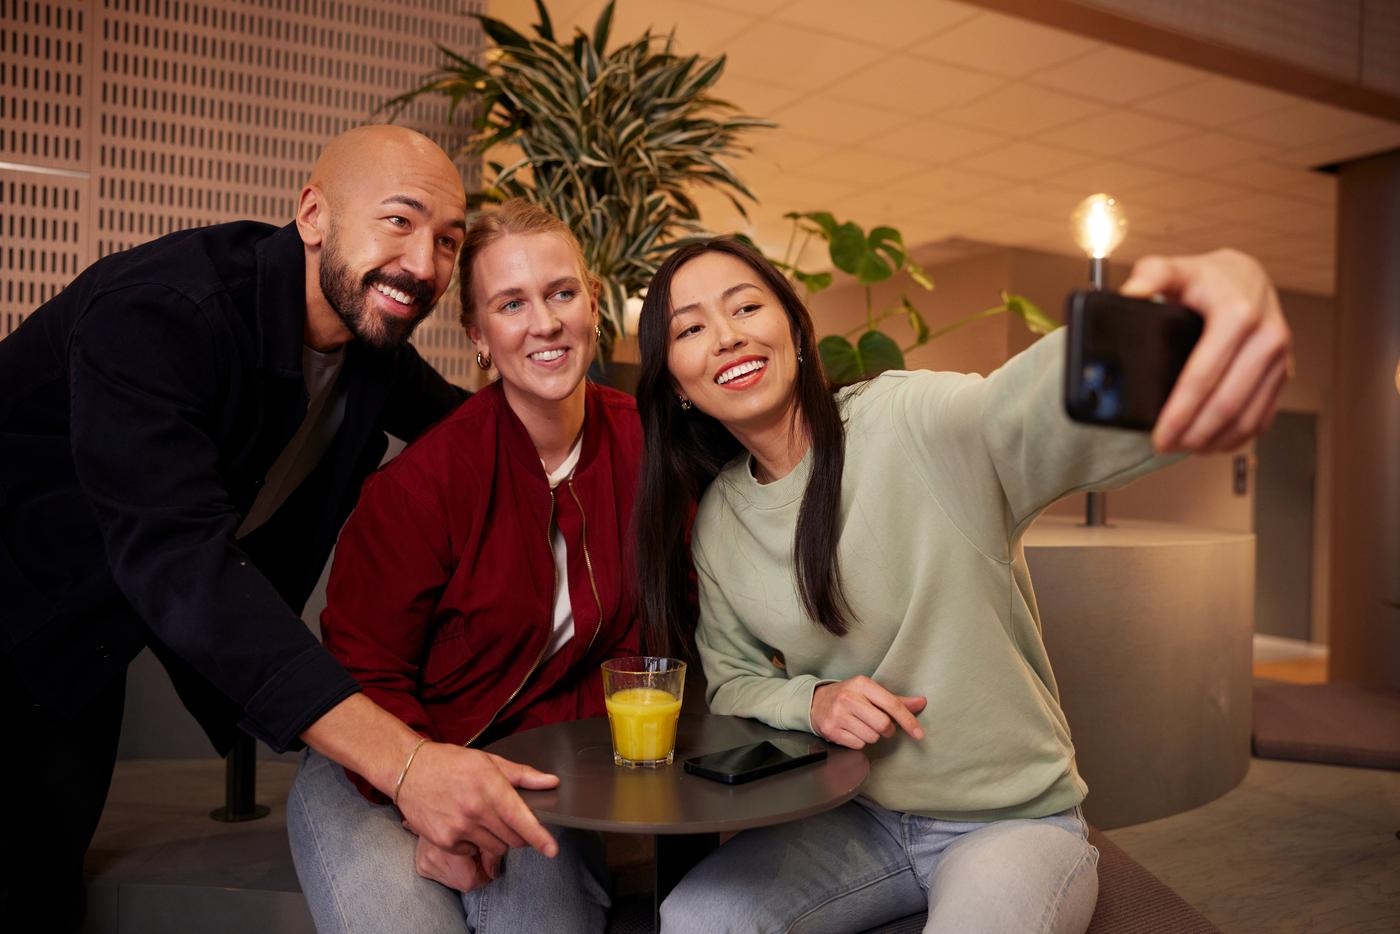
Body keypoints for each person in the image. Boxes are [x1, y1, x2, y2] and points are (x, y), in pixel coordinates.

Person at [632, 238, 1292, 933]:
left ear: (794, 327)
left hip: (1007, 822)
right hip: (855, 820)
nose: (728, 335)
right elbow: (733, 681)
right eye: (691, 328)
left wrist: (1200, 314)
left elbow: (1020, 409)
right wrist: (815, 700)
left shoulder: (907, 421)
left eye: (745, 307)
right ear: (676, 383)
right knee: (695, 918)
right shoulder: (722, 522)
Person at [0, 127, 557, 933]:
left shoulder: (369, 347)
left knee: (43, 884)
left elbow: (477, 435)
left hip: (82, 635)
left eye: (446, 240)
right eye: (398, 222)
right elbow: (185, 569)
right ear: (312, 215)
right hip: (24, 600)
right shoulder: (160, 312)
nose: (425, 265)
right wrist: (405, 766)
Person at [286, 198, 643, 934]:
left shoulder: (647, 450)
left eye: (561, 293)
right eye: (511, 304)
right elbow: (364, 673)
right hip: (377, 766)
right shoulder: (421, 485)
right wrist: (424, 797)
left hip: (524, 770)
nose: (544, 323)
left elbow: (649, 643)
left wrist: (522, 765)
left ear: (593, 304)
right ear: (479, 336)